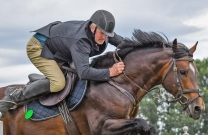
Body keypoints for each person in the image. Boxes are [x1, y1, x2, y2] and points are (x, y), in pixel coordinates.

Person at [0, 10, 125, 118]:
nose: (104, 37)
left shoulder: (103, 32)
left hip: (59, 48)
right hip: (39, 47)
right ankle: (13, 96)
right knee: (58, 83)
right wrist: (110, 72)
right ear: (93, 28)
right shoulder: (81, 41)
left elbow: (124, 43)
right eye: (102, 33)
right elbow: (84, 72)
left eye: (107, 34)